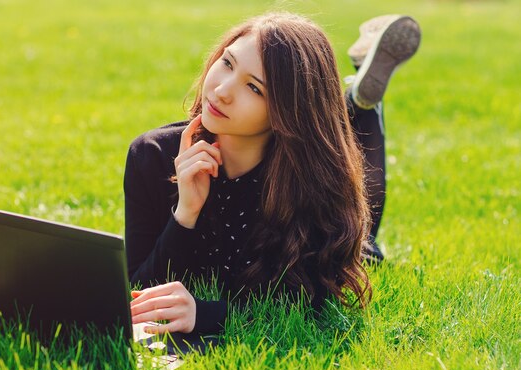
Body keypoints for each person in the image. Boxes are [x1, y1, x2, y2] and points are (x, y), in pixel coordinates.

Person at [124, 13, 421, 335]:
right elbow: (140, 292)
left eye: (254, 88)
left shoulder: (312, 179)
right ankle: (352, 99)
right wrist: (186, 214)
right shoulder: (152, 155)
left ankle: (362, 106)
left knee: (365, 246)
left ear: (288, 111)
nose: (222, 90)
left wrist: (207, 314)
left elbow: (312, 300)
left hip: (320, 172)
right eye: (227, 63)